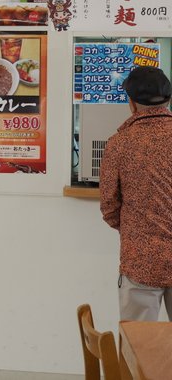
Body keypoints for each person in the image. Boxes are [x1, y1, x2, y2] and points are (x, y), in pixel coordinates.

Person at [100, 65, 172, 321]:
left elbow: (109, 206)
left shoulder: (119, 144)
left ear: (131, 102)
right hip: (142, 255)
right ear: (168, 98)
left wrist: (136, 231)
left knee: (137, 348)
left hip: (141, 260)